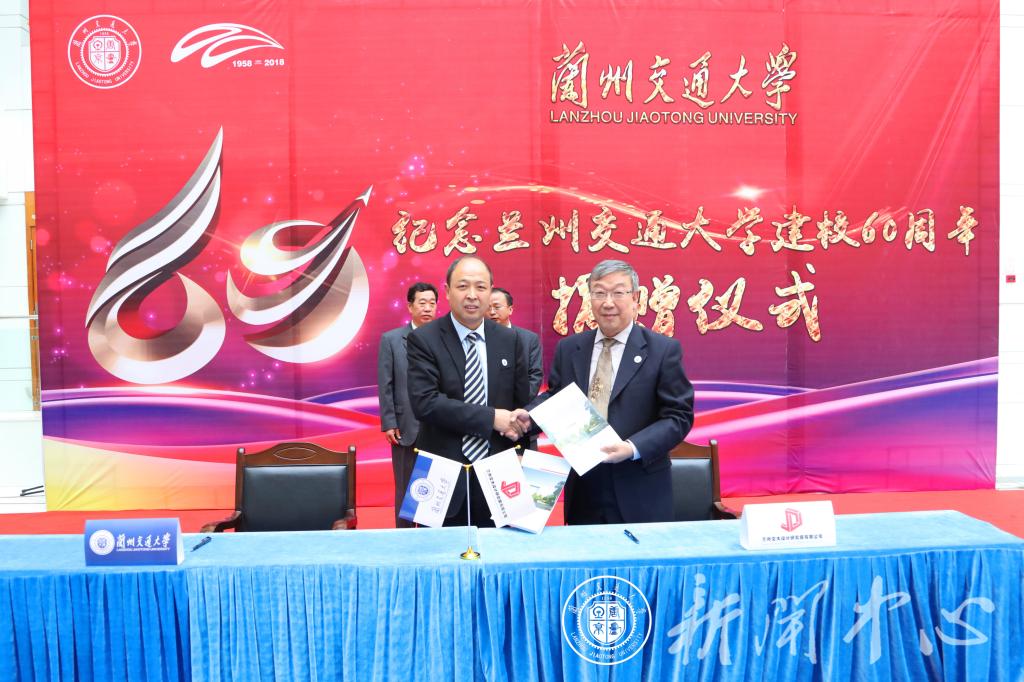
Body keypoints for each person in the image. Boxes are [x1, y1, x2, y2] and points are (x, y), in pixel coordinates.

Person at [517, 259, 693, 525]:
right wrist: (530, 416)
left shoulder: (662, 350)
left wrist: (632, 448)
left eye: (618, 292)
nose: (608, 303)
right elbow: (556, 398)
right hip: (584, 489)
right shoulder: (570, 348)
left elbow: (678, 417)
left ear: (635, 298)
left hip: (640, 488)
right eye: (599, 293)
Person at [407, 256, 532, 527]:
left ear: (490, 291)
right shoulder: (423, 339)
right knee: (438, 551)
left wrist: (524, 447)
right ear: (447, 291)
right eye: (463, 286)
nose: (472, 295)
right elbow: (425, 403)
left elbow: (522, 404)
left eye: (480, 287)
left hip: (501, 474)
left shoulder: (510, 340)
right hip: (441, 475)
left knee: (503, 550)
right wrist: (491, 418)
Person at [377, 282, 438, 528]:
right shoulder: (392, 340)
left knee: (434, 486)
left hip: (438, 427)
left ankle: (431, 537)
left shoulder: (446, 339)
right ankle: (405, 538)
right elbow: (386, 383)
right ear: (410, 306)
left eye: (432, 303)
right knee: (405, 487)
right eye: (422, 303)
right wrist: (389, 422)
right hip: (405, 426)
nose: (427, 308)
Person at [487, 287, 543, 398]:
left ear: (510, 309)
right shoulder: (477, 337)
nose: (492, 312)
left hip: (520, 404)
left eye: (497, 307)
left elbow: (535, 375)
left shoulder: (529, 339)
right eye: (488, 308)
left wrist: (521, 402)